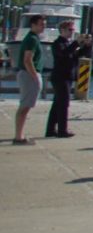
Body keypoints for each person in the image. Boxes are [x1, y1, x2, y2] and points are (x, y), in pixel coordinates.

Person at [12, 14, 45, 144]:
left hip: (27, 74)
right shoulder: (32, 39)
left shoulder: (33, 38)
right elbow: (27, 59)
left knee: (26, 106)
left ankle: (20, 135)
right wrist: (34, 76)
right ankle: (18, 136)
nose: (43, 27)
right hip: (28, 74)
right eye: (41, 24)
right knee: (25, 106)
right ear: (33, 25)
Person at [44, 19, 78, 138]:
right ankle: (62, 130)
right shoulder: (57, 43)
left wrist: (86, 45)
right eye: (70, 30)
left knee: (57, 103)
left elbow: (75, 57)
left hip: (67, 76)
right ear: (62, 30)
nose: (72, 32)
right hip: (60, 77)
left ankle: (50, 130)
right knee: (63, 104)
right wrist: (76, 44)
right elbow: (63, 55)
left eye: (73, 30)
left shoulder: (68, 43)